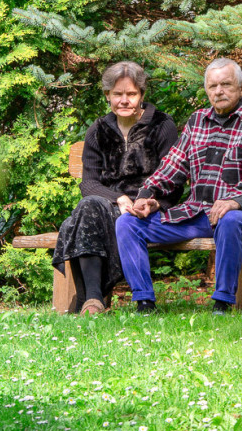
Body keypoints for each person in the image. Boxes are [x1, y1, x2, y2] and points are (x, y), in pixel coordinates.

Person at [116, 58, 242, 315]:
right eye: (213, 86)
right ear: (206, 90)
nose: (219, 91)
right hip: (198, 213)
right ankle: (145, 302)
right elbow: (173, 164)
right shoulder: (197, 120)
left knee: (230, 220)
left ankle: (222, 303)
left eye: (226, 84)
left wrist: (234, 201)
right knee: (127, 223)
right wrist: (147, 194)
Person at [52, 61, 180, 315]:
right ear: (107, 95)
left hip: (149, 210)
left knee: (75, 221)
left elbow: (172, 179)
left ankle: (90, 299)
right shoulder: (98, 131)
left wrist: (147, 202)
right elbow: (88, 183)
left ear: (142, 95)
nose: (124, 100)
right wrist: (118, 198)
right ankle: (95, 300)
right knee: (89, 207)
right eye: (117, 94)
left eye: (131, 94)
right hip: (108, 206)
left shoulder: (162, 125)